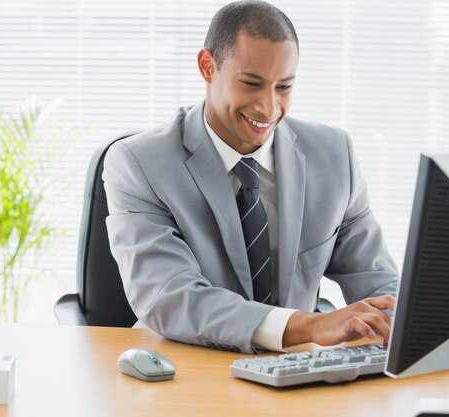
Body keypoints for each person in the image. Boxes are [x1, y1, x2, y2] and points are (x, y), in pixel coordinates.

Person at [103, 0, 398, 354]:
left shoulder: (334, 154)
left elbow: (379, 281)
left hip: (295, 370)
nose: (269, 108)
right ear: (207, 66)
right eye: (252, 83)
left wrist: (402, 319)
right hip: (185, 365)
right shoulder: (139, 163)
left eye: (284, 87)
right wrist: (309, 325)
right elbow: (170, 297)